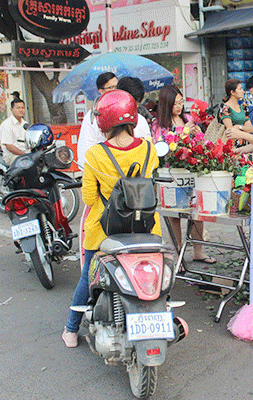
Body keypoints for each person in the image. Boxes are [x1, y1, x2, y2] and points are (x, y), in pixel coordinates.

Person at [62, 90, 162, 347]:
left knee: (87, 276)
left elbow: (88, 198)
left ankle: (72, 330)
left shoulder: (95, 155)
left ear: (104, 121)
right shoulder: (149, 150)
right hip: (144, 226)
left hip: (105, 230)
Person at [151, 84, 215, 264]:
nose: (179, 107)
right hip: (172, 174)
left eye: (181, 102)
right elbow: (160, 147)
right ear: (166, 104)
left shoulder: (187, 118)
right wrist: (183, 132)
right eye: (175, 103)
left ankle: (198, 251)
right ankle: (177, 254)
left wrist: (198, 133)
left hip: (192, 171)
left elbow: (201, 143)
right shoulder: (159, 125)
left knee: (197, 212)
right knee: (175, 216)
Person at [0, 98, 28, 165]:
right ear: (11, 110)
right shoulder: (6, 125)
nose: (21, 110)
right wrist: (24, 154)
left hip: (26, 154)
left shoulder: (25, 124)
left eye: (23, 108)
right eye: (18, 108)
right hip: (12, 156)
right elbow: (9, 147)